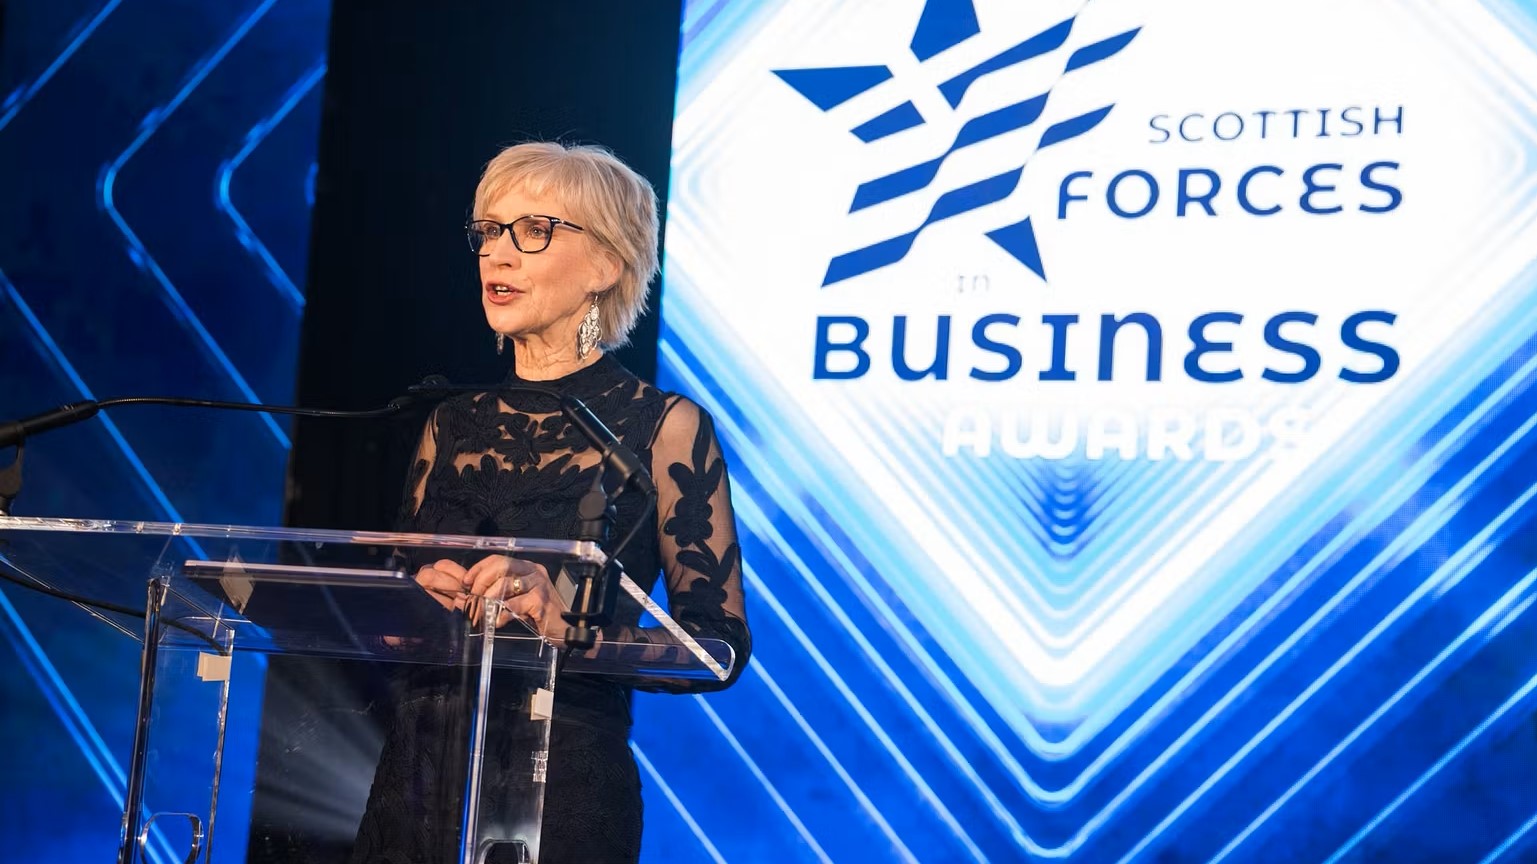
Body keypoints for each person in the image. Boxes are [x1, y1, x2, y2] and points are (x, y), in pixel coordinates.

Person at [349, 142, 751, 863]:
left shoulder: (661, 428)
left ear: (604, 265)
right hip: (415, 782)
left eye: (531, 230)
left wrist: (565, 628)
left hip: (560, 787)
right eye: (487, 231)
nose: (496, 255)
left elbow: (715, 650)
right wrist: (410, 600)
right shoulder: (447, 422)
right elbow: (395, 623)